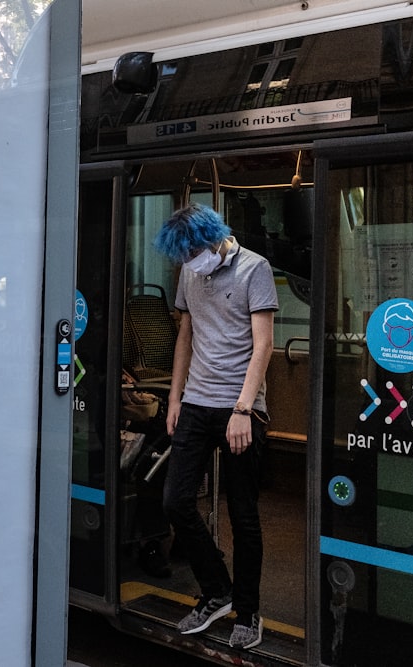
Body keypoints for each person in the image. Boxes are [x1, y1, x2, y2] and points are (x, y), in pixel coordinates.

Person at [153, 202, 277, 649]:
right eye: (184, 259)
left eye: (194, 254)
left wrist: (243, 410)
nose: (191, 265)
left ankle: (248, 609)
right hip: (197, 402)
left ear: (213, 238)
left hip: (241, 406)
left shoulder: (255, 269)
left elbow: (263, 344)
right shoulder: (191, 271)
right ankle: (217, 592)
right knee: (175, 501)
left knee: (243, 514)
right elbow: (185, 335)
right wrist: (174, 396)